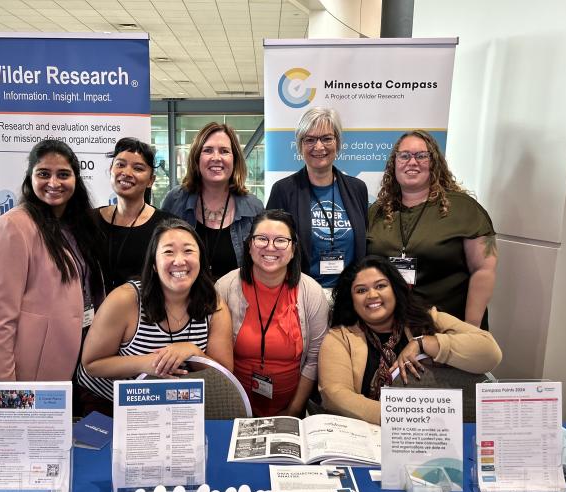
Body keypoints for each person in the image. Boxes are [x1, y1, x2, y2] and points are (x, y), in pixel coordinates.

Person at [0, 139, 104, 382]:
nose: (53, 183)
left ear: (76, 179)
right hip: (23, 371)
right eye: (43, 173)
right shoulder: (11, 228)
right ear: (30, 178)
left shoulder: (76, 226)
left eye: (63, 174)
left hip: (65, 355)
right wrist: (5, 389)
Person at [318, 255, 502, 425]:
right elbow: (335, 395)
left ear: (395, 289)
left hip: (441, 436)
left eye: (381, 286)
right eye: (361, 290)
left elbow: (490, 353)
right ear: (351, 299)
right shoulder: (340, 338)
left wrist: (423, 343)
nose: (372, 295)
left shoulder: (429, 319)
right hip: (374, 436)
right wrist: (406, 418)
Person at [78, 218, 234, 403]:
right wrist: (148, 363)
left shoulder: (213, 304)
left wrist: (193, 352)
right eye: (168, 252)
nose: (179, 260)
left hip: (173, 404)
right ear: (153, 264)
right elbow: (92, 365)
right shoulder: (126, 299)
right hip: (108, 400)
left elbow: (225, 376)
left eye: (188, 251)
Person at [367, 129, 497, 328]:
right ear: (394, 163)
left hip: (448, 329)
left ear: (434, 162)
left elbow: (484, 270)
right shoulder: (377, 211)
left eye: (421, 156)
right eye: (404, 156)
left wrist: (471, 330)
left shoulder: (464, 209)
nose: (412, 162)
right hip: (391, 327)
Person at [215, 210, 329, 417]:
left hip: (291, 409)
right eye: (261, 239)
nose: (270, 247)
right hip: (235, 407)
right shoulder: (225, 287)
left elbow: (313, 359)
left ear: (293, 248)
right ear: (249, 245)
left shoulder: (311, 292)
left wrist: (294, 410)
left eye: (280, 241)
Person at [267, 107, 368, 292]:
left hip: (350, 296)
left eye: (327, 138)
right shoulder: (283, 191)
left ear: (337, 142)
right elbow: (271, 247)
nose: (319, 147)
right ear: (300, 145)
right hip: (301, 295)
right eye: (310, 139)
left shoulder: (357, 189)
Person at [162, 122, 263, 280]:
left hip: (235, 302)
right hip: (185, 301)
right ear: (197, 158)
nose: (216, 158)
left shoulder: (253, 207)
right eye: (208, 150)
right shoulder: (175, 200)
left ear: (235, 160)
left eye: (224, 151)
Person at [96, 137, 173, 292]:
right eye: (120, 165)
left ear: (151, 180)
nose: (126, 173)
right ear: (111, 169)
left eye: (138, 168)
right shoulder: (90, 221)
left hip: (146, 313)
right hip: (95, 313)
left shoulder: (166, 226)